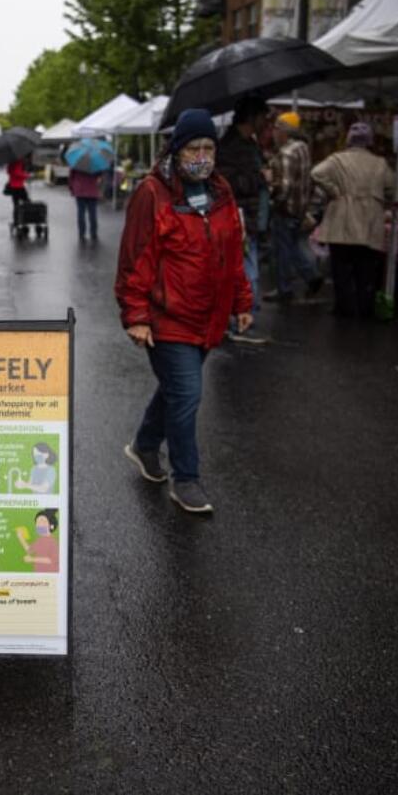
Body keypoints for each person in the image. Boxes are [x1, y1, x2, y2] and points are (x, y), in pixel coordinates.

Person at [115, 109, 253, 514]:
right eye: (194, 147)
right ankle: (187, 479)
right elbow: (134, 259)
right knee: (188, 394)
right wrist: (136, 315)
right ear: (176, 150)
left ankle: (143, 445)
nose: (202, 155)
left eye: (209, 147)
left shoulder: (222, 191)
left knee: (177, 392)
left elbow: (232, 253)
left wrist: (242, 301)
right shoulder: (152, 194)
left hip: (209, 316)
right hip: (167, 317)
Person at [312, 122, 396, 319]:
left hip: (342, 218)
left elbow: (316, 173)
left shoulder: (337, 160)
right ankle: (364, 309)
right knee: (365, 268)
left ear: (349, 139)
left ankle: (344, 308)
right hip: (370, 221)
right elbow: (391, 187)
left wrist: (334, 191)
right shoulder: (380, 163)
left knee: (341, 268)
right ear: (369, 142)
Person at [216, 96, 271, 344]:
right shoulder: (231, 146)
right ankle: (243, 318)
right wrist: (260, 178)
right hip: (240, 218)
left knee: (246, 268)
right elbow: (226, 183)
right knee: (247, 270)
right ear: (252, 117)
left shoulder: (249, 143)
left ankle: (241, 316)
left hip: (251, 216)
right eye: (263, 116)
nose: (266, 122)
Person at [266, 111, 324, 304]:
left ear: (284, 131)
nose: (273, 132)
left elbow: (285, 186)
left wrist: (274, 200)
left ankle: (285, 290)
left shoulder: (287, 152)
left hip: (286, 209)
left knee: (283, 251)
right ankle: (312, 276)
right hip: (300, 208)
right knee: (296, 246)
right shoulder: (303, 148)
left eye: (276, 128)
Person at [68, 167, 102, 242]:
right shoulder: (95, 165)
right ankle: (93, 233)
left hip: (79, 191)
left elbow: (71, 178)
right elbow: (99, 175)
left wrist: (71, 189)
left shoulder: (76, 165)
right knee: (93, 214)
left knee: (81, 213)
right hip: (92, 191)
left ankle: (81, 234)